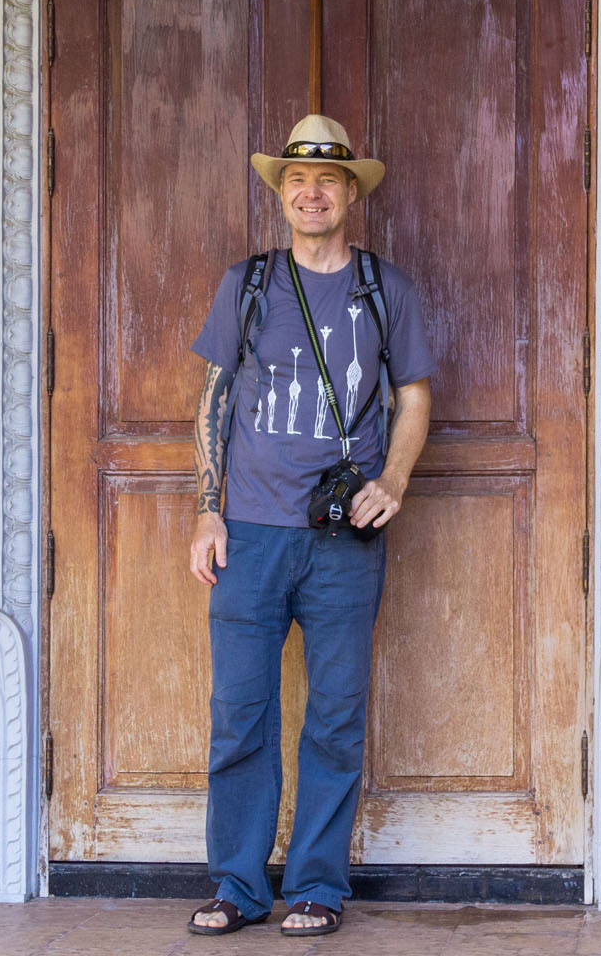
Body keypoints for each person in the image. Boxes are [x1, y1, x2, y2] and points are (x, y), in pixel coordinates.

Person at [187, 114, 434, 936]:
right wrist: (207, 508)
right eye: (297, 179)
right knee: (240, 715)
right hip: (250, 533)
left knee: (333, 717)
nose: (311, 193)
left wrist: (393, 478)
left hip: (341, 538)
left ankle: (317, 887)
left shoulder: (383, 289)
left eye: (327, 180)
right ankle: (236, 886)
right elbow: (215, 396)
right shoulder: (248, 283)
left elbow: (414, 396)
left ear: (350, 193)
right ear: (281, 193)